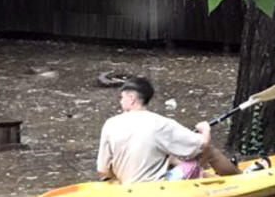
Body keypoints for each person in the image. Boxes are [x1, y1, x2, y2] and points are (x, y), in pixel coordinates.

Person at [96, 76, 239, 183]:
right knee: (209, 151)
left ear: (131, 98)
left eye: (121, 98)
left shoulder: (110, 123)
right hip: (154, 188)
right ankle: (239, 180)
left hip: (126, 184)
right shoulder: (161, 123)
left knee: (170, 157)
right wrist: (206, 130)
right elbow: (201, 145)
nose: (120, 101)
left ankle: (211, 178)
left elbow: (103, 170)